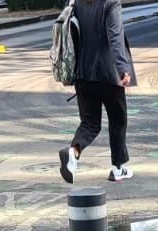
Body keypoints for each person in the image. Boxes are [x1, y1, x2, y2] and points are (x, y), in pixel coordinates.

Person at [59, 0, 138, 183]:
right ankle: (118, 168)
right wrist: (122, 69)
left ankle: (73, 154)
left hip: (83, 75)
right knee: (118, 121)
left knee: (89, 124)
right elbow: (115, 37)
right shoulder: (110, 4)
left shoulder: (76, 3)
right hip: (108, 74)